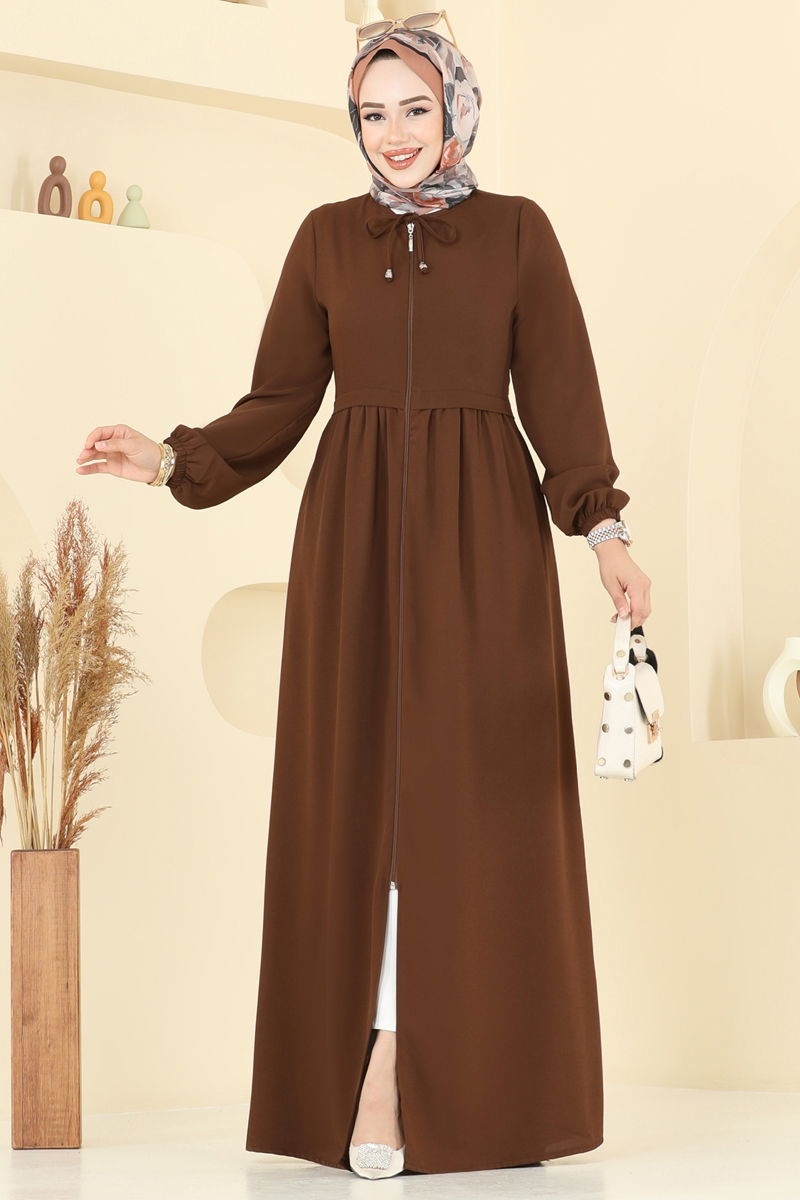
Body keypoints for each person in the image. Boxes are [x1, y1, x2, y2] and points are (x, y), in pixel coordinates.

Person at [75, 19, 651, 1181]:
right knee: (360, 804)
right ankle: (373, 1063)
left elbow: (561, 396)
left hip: (482, 542)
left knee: (469, 806)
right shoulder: (325, 238)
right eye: (370, 113)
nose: (391, 134)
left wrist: (604, 534)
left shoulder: (517, 232)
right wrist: (174, 459)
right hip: (353, 538)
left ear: (455, 111)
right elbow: (279, 400)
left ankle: (438, 1073)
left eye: (413, 109)